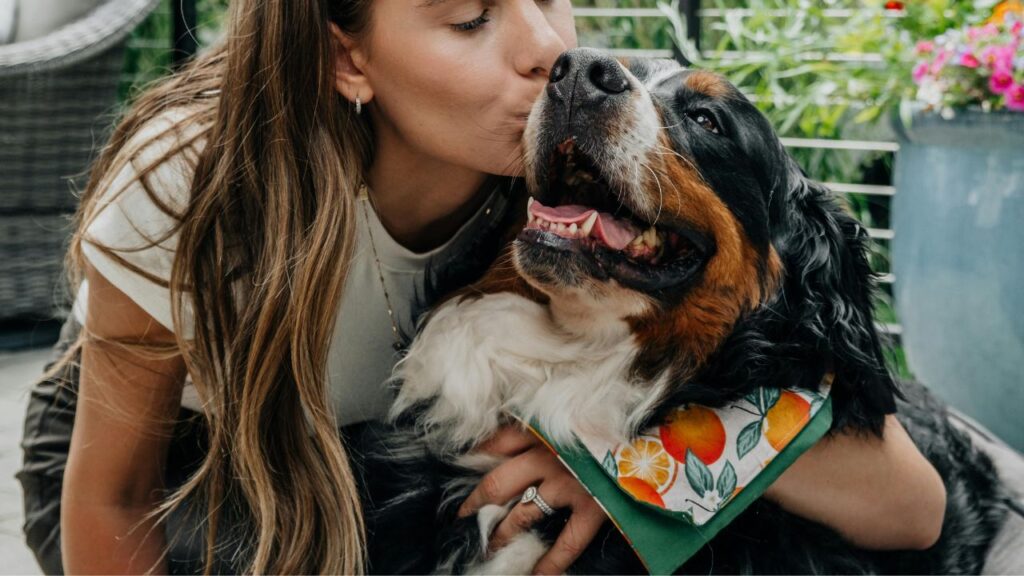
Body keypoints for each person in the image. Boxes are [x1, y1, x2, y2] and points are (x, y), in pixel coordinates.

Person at [17, 0, 950, 574]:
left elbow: (910, 505)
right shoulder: (194, 180)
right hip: (180, 446)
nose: (548, 48)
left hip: (379, 456)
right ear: (350, 58)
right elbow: (108, 500)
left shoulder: (548, 162)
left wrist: (628, 468)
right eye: (470, 18)